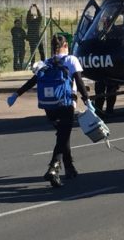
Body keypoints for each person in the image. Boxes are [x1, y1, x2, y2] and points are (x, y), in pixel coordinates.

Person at [6, 34, 90, 186]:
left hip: (49, 106)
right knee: (63, 137)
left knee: (63, 136)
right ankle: (53, 168)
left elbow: (33, 81)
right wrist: (87, 99)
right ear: (65, 46)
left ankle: (69, 168)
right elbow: (79, 81)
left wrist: (16, 94)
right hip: (66, 104)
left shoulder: (46, 62)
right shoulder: (71, 60)